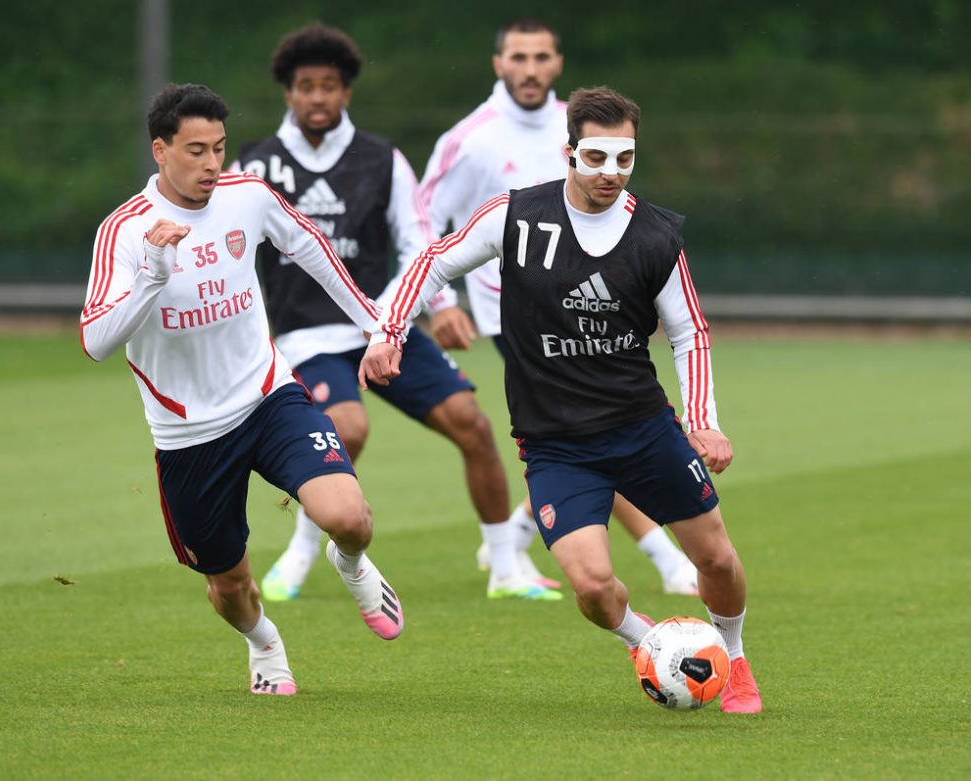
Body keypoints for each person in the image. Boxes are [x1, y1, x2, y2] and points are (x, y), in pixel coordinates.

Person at [361, 86, 763, 713]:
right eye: (596, 158)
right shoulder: (516, 215)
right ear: (569, 151)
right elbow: (431, 262)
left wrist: (704, 423)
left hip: (644, 430)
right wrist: (388, 332)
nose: (611, 173)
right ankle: (647, 642)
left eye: (624, 159)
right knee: (594, 587)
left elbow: (689, 332)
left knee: (716, 557)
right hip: (555, 447)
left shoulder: (656, 237)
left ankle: (734, 659)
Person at [80, 83, 405, 697]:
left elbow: (312, 248)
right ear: (160, 151)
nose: (211, 164)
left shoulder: (247, 198)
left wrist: (376, 327)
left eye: (219, 149)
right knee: (230, 587)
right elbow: (96, 340)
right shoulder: (125, 233)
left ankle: (351, 562)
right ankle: (264, 643)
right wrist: (153, 275)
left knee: (348, 517)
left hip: (268, 395)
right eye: (195, 150)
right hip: (188, 432)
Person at [234, 23, 559, 602]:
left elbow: (417, 242)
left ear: (346, 93)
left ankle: (507, 569)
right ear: (288, 93)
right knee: (348, 430)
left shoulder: (381, 159)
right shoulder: (255, 165)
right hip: (308, 336)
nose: (317, 98)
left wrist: (422, 309)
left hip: (383, 327)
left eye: (328, 86)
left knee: (474, 426)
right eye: (305, 87)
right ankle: (303, 553)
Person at [420, 17, 699, 596]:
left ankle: (517, 540)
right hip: (514, 315)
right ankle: (663, 560)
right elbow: (425, 219)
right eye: (518, 57)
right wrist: (442, 302)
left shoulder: (578, 122)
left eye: (541, 57)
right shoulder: (469, 137)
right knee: (598, 429)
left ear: (558, 63)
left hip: (589, 311)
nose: (530, 69)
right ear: (499, 64)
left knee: (596, 429)